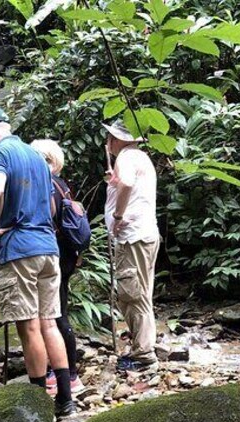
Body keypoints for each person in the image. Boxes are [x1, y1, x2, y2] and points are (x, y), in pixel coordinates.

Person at [0, 107, 77, 416]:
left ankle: (38, 403)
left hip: (20, 250)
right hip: (48, 249)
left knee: (29, 327)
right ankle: (65, 400)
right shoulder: (36, 158)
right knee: (49, 323)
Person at [103, 120, 160, 371]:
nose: (107, 143)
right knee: (139, 293)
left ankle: (143, 354)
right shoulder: (141, 157)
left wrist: (117, 216)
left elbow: (127, 183)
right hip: (143, 234)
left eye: (109, 138)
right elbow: (127, 184)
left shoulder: (126, 156)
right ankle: (143, 346)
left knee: (133, 295)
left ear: (116, 140)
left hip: (132, 236)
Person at [30, 139, 84, 396]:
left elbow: (49, 216)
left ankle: (69, 374)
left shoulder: (48, 185)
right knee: (57, 312)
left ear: (49, 161)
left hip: (55, 254)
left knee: (55, 314)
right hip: (66, 254)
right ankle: (64, 370)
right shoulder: (62, 184)